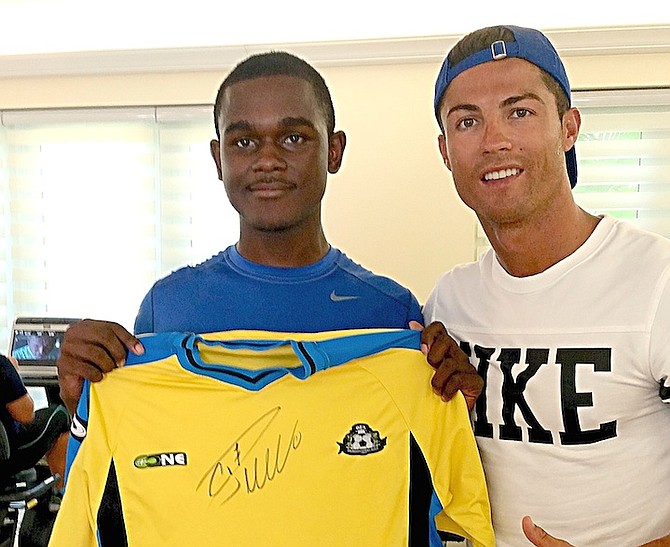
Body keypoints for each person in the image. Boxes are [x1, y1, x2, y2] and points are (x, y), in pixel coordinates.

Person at [56, 51, 481, 544]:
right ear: (219, 159)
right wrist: (83, 403)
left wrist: (461, 408)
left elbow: (430, 491)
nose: (267, 159)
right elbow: (125, 483)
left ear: (334, 151)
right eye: (244, 141)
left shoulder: (391, 314)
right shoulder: (165, 307)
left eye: (294, 137)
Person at [423, 24, 670, 546]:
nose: (495, 141)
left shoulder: (657, 279)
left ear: (569, 127)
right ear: (445, 151)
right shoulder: (448, 301)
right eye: (468, 121)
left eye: (520, 111)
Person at [0, 354, 69, 489]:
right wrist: (14, 375)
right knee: (60, 415)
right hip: (9, 459)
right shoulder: (2, 366)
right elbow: (26, 415)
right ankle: (62, 496)